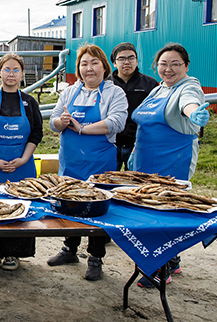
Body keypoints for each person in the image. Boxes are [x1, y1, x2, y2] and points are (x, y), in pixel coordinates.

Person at [130, 43, 208, 288]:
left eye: (176, 64)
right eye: (164, 64)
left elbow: (189, 102)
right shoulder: (158, 89)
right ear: (156, 66)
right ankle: (169, 259)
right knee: (149, 212)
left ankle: (165, 266)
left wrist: (194, 113)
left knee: (167, 212)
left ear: (186, 66)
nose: (169, 69)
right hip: (144, 161)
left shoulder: (188, 87)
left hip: (173, 161)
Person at [47, 44, 127, 281]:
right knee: (69, 203)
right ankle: (69, 249)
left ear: (104, 66)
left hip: (99, 162)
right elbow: (53, 121)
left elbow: (116, 122)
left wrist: (82, 128)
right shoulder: (70, 92)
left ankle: (95, 257)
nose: (89, 68)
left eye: (94, 63)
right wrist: (61, 122)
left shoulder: (115, 93)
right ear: (79, 69)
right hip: (70, 161)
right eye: (84, 64)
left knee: (97, 208)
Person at [0, 53, 42, 270]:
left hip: (22, 165)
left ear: (21, 73)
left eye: (15, 70)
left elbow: (36, 134)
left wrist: (23, 159)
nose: (11, 74)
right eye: (6, 69)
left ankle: (15, 253)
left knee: (20, 207)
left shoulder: (30, 103)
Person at [107, 43, 158, 170]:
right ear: (114, 63)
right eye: (121, 59)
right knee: (107, 181)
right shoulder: (106, 84)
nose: (127, 62)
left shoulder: (150, 84)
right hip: (111, 143)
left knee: (137, 184)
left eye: (131, 58)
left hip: (138, 143)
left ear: (136, 61)